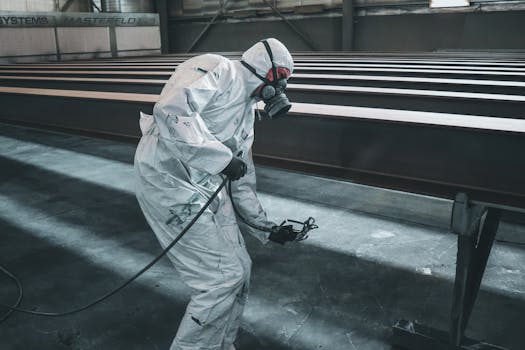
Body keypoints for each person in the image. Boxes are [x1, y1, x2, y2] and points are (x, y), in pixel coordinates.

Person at [134, 38, 298, 350]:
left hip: (204, 183)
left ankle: (221, 345)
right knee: (219, 280)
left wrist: (266, 229)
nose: (279, 90)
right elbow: (171, 111)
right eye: (279, 80)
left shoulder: (247, 116)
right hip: (167, 180)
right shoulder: (218, 69)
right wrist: (221, 159)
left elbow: (242, 180)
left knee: (240, 270)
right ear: (264, 71)